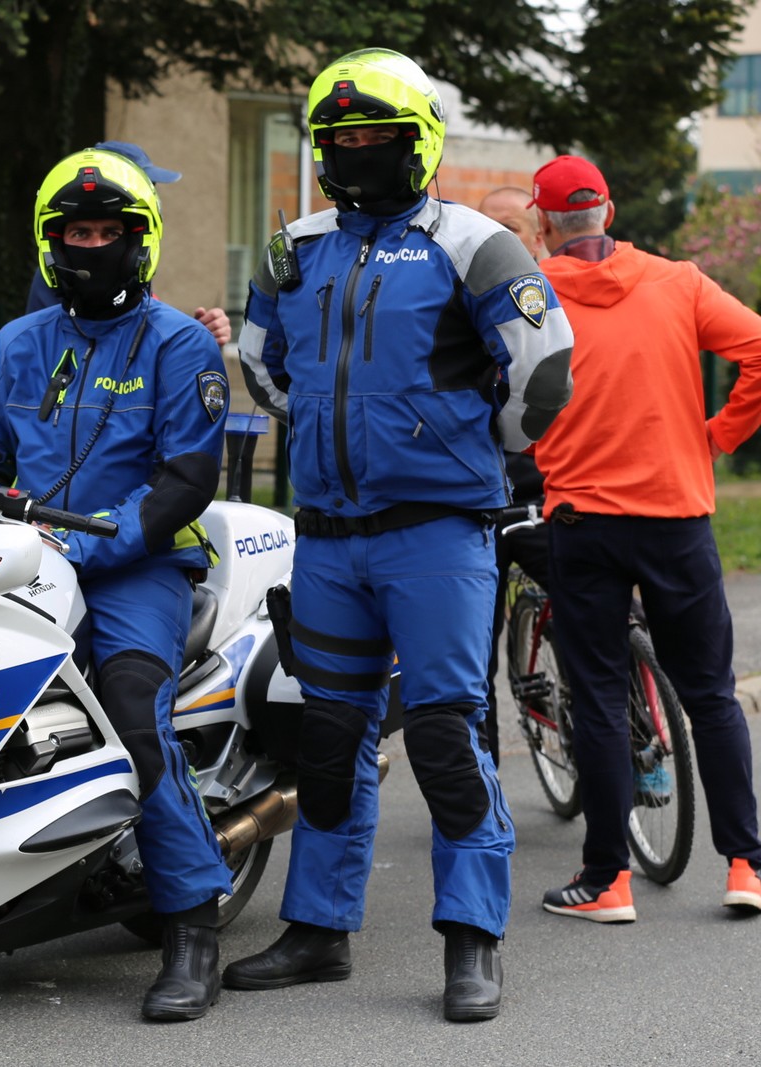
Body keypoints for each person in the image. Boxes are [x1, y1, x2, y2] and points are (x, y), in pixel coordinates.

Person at [230, 48, 574, 1022]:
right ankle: (317, 930)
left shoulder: (473, 243)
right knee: (327, 740)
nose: (354, 148)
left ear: (417, 138)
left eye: (373, 133)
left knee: (444, 736)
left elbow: (545, 369)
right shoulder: (292, 246)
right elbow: (262, 363)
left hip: (437, 536)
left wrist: (477, 450)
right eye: (338, 136)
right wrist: (335, 436)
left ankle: (472, 938)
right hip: (330, 535)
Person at [0, 147, 235, 1021]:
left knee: (129, 708)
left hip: (139, 567)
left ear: (139, 240)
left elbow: (186, 478)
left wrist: (91, 544)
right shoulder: (18, 342)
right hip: (22, 561)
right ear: (52, 244)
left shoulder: (179, 342)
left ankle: (191, 920)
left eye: (107, 231)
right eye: (75, 231)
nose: (90, 244)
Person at [526, 154, 761, 923]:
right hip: (678, 519)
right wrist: (716, 436)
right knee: (710, 693)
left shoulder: (533, 296)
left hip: (584, 526)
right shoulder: (679, 282)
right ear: (608, 211)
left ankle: (608, 879)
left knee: (601, 698)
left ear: (543, 224)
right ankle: (746, 866)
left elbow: (495, 391)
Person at [475, 186, 552, 766]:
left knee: (601, 623)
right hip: (481, 499)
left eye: (511, 227)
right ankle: (481, 784)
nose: (498, 239)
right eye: (487, 229)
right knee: (475, 655)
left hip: (552, 494)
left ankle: (641, 750)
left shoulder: (557, 303)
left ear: (539, 236)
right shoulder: (464, 302)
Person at [23, 140, 231, 347]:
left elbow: (138, 328)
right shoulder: (64, 271)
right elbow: (67, 344)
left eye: (112, 233)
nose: (150, 193)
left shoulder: (131, 261)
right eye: (145, 183)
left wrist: (189, 335)